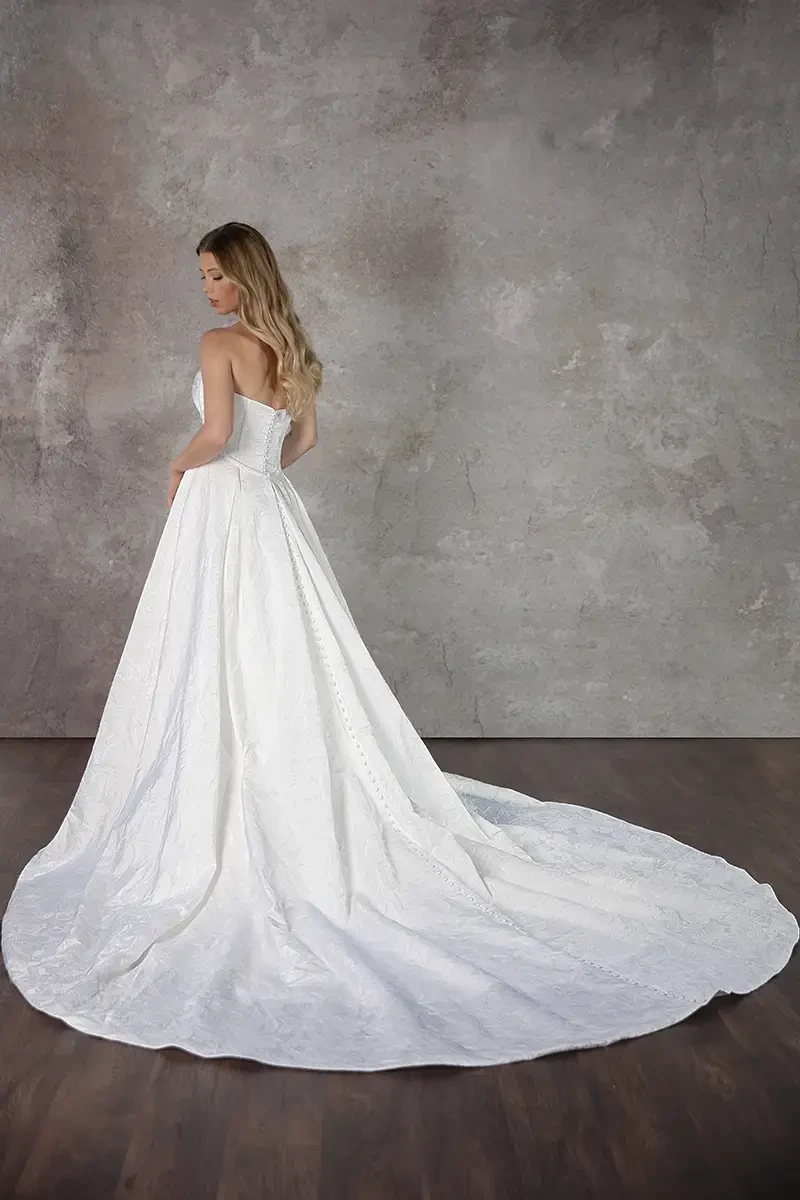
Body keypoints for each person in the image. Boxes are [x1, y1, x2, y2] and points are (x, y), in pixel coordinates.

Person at [2, 222, 796, 1072]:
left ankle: (231, 787)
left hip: (221, 509)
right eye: (203, 278)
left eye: (215, 276)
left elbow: (216, 431)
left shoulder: (218, 344)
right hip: (269, 511)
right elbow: (302, 442)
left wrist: (177, 467)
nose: (207, 290)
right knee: (285, 652)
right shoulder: (291, 347)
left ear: (243, 275)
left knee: (216, 652)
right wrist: (259, 479)